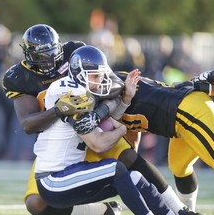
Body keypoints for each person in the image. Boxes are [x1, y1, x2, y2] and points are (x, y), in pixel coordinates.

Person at [3, 25, 199, 215]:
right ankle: (100, 211)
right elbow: (28, 124)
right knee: (36, 204)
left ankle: (179, 210)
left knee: (129, 161)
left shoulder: (76, 58)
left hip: (92, 124)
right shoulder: (32, 82)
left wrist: (109, 101)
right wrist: (60, 109)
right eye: (41, 57)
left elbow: (110, 82)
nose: (48, 62)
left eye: (52, 55)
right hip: (64, 142)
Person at [71, 69, 214, 212]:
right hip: (182, 116)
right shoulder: (110, 85)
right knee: (179, 167)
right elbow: (133, 127)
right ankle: (187, 211)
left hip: (189, 114)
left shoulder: (109, 91)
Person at [35, 45, 174, 215]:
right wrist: (122, 131)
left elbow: (103, 125)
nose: (100, 80)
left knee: (135, 177)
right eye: (95, 75)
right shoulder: (68, 93)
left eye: (102, 75)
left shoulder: (84, 92)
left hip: (71, 174)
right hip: (53, 180)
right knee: (116, 168)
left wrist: (125, 100)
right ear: (80, 73)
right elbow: (98, 143)